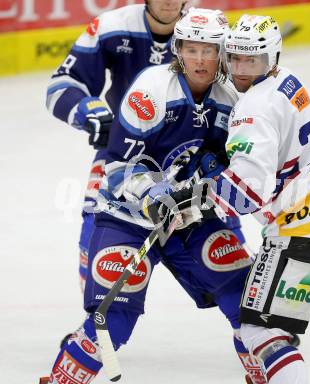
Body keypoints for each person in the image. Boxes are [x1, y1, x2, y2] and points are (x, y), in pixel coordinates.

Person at [40, 8, 267, 384]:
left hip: (190, 219)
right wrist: (152, 193)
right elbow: (116, 168)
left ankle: (265, 374)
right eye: (191, 49)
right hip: (129, 218)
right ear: (178, 50)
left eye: (208, 51)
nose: (199, 60)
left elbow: (235, 165)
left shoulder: (231, 100)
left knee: (245, 300)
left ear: (222, 53)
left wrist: (221, 175)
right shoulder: (151, 90)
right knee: (114, 320)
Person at [160, 14, 310, 384]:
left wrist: (197, 195)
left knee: (261, 331)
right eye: (236, 58)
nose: (243, 70)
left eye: (254, 60)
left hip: (301, 230)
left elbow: (248, 194)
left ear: (272, 58)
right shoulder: (291, 81)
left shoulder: (251, 109)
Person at [46, 0, 188, 292]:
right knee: (95, 235)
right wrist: (90, 111)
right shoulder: (111, 26)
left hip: (190, 157)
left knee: (219, 242)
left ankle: (255, 329)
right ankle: (96, 326)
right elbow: (62, 85)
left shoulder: (206, 33)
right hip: (123, 153)